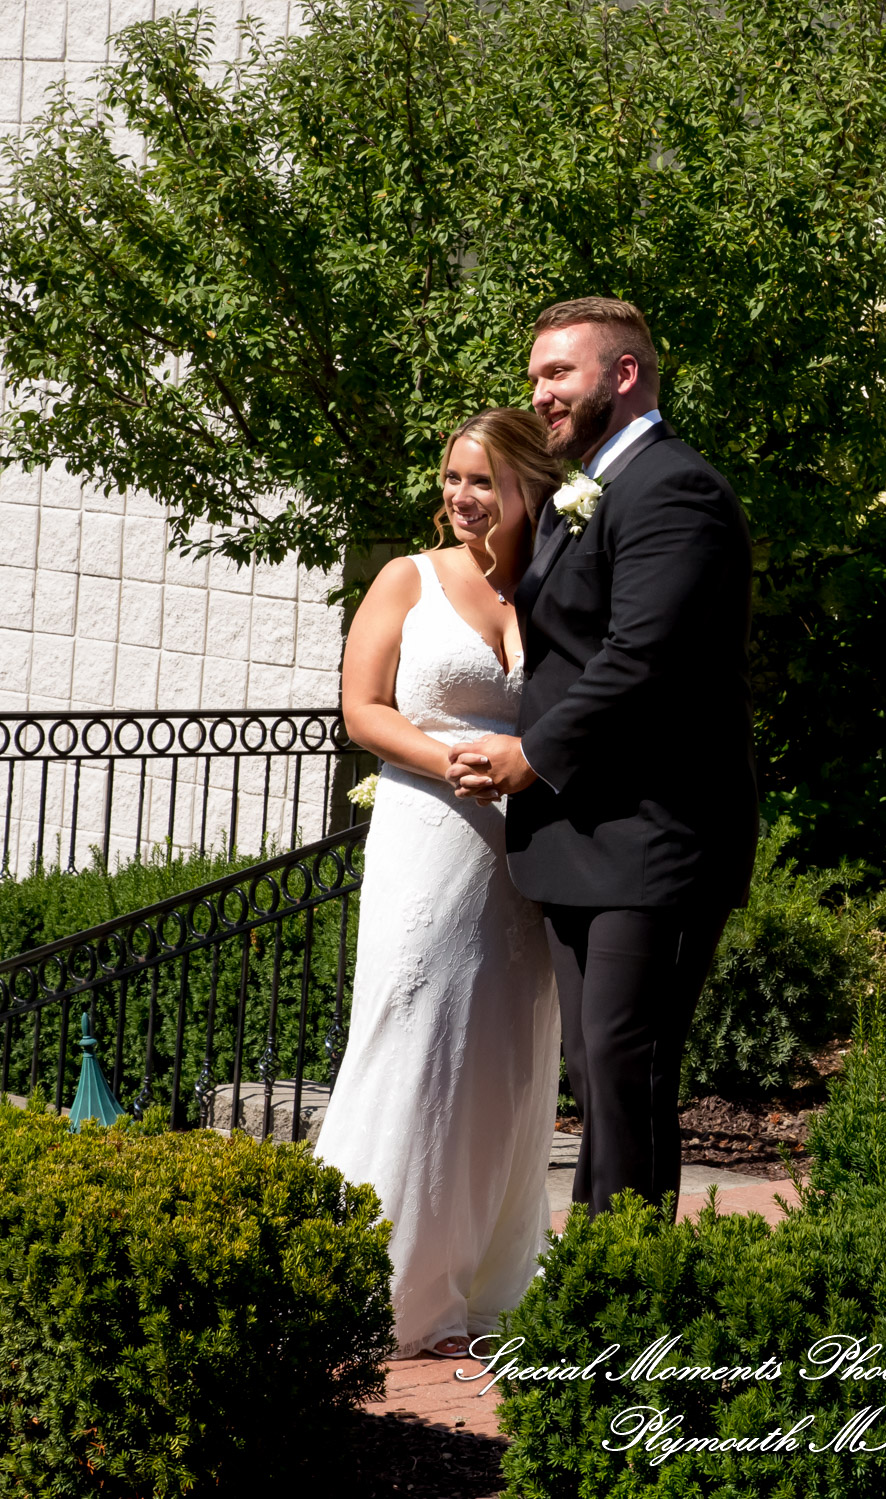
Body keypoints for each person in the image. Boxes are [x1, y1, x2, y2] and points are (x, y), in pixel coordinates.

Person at [448, 298, 758, 1219]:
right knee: (594, 1069)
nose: (539, 393)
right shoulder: (585, 490)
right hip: (582, 836)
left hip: (655, 835)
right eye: (535, 376)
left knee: (628, 1067)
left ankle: (626, 1287)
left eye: (558, 373)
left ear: (623, 375)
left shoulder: (675, 489)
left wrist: (529, 757)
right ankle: (601, 1264)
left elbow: (643, 659)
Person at [316, 408, 564, 1358]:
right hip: (428, 837)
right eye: (453, 477)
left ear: (528, 487)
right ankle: (374, 1279)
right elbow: (361, 707)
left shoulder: (555, 585)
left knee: (505, 1056)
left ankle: (484, 1278)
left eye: (482, 481)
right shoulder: (406, 578)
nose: (462, 496)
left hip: (525, 861)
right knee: (413, 1035)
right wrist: (449, 760)